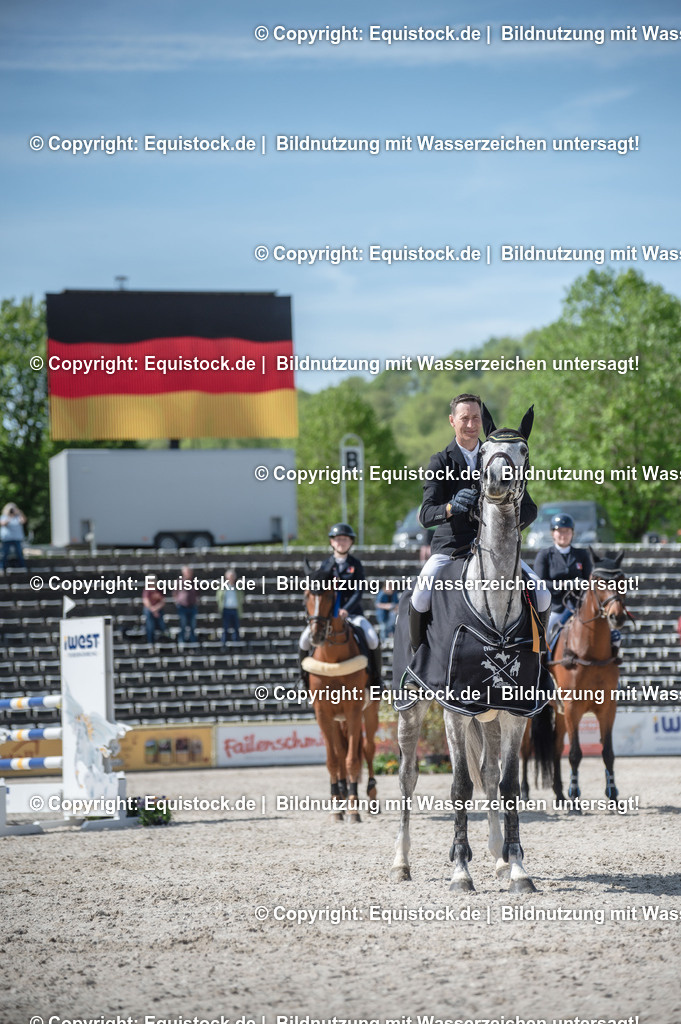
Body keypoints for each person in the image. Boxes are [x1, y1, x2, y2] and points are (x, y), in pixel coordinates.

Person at [410, 393, 550, 650]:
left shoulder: (497, 455)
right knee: (420, 594)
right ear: (452, 421)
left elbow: (529, 509)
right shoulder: (440, 461)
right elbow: (426, 515)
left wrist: (500, 528)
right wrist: (451, 507)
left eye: (476, 418)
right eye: (465, 418)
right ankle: (419, 658)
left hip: (496, 551)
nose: (471, 424)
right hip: (451, 550)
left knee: (542, 594)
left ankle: (538, 657)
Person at [299, 523, 382, 686]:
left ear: (351, 542)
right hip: (328, 617)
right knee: (303, 640)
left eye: (345, 539)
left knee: (372, 638)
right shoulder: (325, 565)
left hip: (352, 613)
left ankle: (376, 679)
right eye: (338, 539)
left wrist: (346, 610)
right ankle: (304, 680)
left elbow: (358, 591)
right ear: (332, 542)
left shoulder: (356, 565)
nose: (341, 542)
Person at [534, 513, 621, 659]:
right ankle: (540, 663)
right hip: (555, 606)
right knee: (544, 633)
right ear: (553, 533)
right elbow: (540, 583)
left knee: (613, 632)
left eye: (567, 531)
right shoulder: (545, 555)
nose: (563, 534)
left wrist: (582, 583)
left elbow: (590, 580)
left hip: (580, 604)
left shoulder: (582, 554)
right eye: (560, 531)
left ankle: (613, 657)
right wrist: (564, 584)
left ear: (572, 533)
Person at [175, 565, 199, 645]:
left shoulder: (194, 582)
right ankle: (182, 641)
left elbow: (197, 592)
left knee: (193, 625)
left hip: (192, 606)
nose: (189, 573)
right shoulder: (179, 582)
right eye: (188, 572)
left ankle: (193, 641)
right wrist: (178, 601)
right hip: (182, 606)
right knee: (183, 624)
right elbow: (175, 593)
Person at [217, 569, 242, 644]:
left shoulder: (237, 587)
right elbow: (219, 597)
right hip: (226, 609)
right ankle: (224, 644)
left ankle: (236, 644)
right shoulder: (223, 587)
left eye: (232, 576)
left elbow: (241, 597)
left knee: (236, 628)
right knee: (225, 628)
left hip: (235, 609)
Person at [1, 503, 28, 571]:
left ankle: (23, 567)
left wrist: (20, 513)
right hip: (7, 539)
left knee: (19, 553)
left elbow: (24, 521)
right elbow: (3, 523)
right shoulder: (4, 517)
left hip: (17, 538)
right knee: (4, 554)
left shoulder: (18, 517)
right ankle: (1, 568)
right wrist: (10, 516)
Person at [142, 576, 167, 644]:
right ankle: (150, 643)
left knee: (162, 626)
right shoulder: (147, 590)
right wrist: (153, 610)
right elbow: (146, 601)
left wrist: (156, 609)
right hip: (150, 611)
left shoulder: (159, 590)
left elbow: (162, 601)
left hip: (158, 610)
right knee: (150, 626)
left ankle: (163, 642)